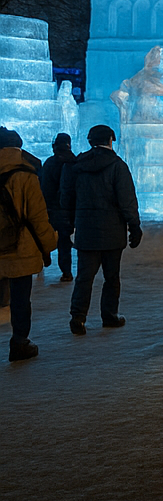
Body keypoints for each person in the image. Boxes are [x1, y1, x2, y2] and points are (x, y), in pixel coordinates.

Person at [59, 124, 141, 336]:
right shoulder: (118, 166)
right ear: (111, 139)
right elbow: (127, 200)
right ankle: (109, 315)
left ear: (90, 141)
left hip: (86, 231)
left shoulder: (77, 165)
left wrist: (69, 224)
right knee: (111, 277)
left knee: (84, 277)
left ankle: (78, 317)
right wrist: (134, 226)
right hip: (112, 232)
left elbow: (66, 198)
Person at [2, 138, 59, 361]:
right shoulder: (25, 174)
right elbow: (37, 216)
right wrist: (49, 244)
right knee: (20, 298)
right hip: (20, 248)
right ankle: (19, 342)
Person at [40, 133, 76, 282]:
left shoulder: (50, 163)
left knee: (43, 235)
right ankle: (66, 271)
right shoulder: (74, 162)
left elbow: (43, 187)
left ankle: (44, 257)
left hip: (50, 208)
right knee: (64, 241)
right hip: (68, 210)